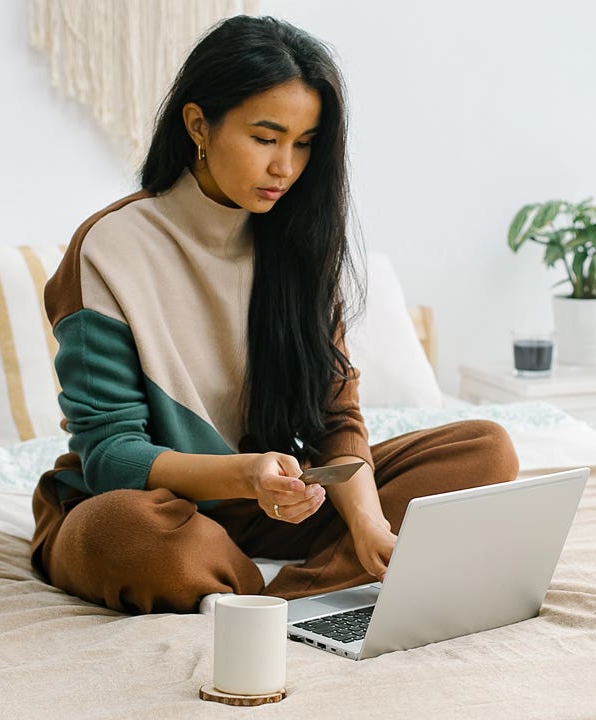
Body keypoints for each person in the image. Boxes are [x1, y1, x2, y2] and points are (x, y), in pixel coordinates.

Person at [30, 15, 518, 615]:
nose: (285, 167)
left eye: (304, 143)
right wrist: (245, 476)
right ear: (198, 126)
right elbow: (110, 456)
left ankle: (280, 597)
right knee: (124, 532)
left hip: (274, 507)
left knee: (485, 449)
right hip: (148, 505)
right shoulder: (109, 248)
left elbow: (334, 416)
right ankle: (289, 587)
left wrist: (366, 522)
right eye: (265, 138)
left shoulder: (298, 245)